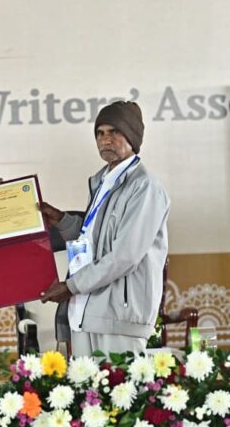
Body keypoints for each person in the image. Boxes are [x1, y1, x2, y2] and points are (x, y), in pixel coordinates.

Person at [40, 101, 170, 356]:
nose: (105, 140)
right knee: (85, 383)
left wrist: (71, 286)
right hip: (85, 312)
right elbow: (95, 242)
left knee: (119, 383)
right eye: (100, 133)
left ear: (132, 137)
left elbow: (124, 256)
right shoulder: (102, 182)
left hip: (119, 318)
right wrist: (63, 221)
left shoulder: (144, 187)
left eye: (114, 132)